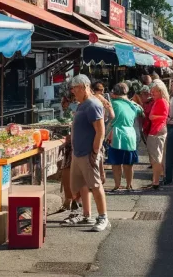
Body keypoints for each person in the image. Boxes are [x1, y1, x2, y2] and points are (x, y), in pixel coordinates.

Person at [61, 75, 110, 232]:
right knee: (79, 185)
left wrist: (95, 151)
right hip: (79, 152)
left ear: (82, 87)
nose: (73, 91)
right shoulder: (82, 104)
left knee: (95, 185)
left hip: (88, 152)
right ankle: (86, 214)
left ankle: (102, 217)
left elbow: (100, 131)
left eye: (74, 88)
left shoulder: (92, 105)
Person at [107, 83, 142, 193]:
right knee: (129, 163)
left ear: (115, 92)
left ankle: (117, 185)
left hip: (116, 135)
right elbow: (141, 111)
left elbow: (107, 117)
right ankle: (129, 185)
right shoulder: (132, 105)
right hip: (130, 135)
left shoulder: (113, 104)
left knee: (116, 163)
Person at [146, 80, 170, 191]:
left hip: (157, 130)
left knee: (156, 157)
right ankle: (159, 178)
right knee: (157, 156)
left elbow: (164, 116)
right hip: (157, 130)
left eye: (154, 91)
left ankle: (156, 181)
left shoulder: (161, 101)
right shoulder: (159, 101)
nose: (152, 94)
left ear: (160, 91)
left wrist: (152, 116)